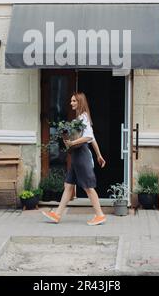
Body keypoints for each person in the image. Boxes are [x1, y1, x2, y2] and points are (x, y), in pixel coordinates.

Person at [42, 92, 107, 226]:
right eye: (71, 101)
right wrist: (99, 155)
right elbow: (93, 137)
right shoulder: (81, 118)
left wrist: (72, 143)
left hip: (81, 156)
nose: (71, 103)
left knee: (88, 187)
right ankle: (57, 214)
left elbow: (88, 137)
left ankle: (100, 215)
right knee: (68, 185)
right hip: (77, 156)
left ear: (80, 102)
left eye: (73, 101)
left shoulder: (83, 118)